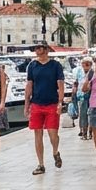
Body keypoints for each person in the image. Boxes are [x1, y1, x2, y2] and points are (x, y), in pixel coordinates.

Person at [25, 42, 66, 174]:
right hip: (36, 103)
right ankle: (41, 164)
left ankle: (55, 151)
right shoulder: (32, 65)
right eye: (36, 48)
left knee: (53, 133)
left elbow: (60, 84)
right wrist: (27, 104)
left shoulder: (55, 65)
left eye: (39, 48)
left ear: (46, 50)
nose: (37, 50)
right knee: (38, 134)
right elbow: (29, 85)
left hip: (52, 103)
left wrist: (60, 102)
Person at [74, 57, 93, 140]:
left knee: (91, 114)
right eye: (84, 64)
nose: (85, 66)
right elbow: (76, 82)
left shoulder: (93, 73)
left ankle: (90, 132)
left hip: (92, 96)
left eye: (87, 64)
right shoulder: (79, 72)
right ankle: (84, 132)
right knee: (83, 114)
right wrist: (74, 89)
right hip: (81, 96)